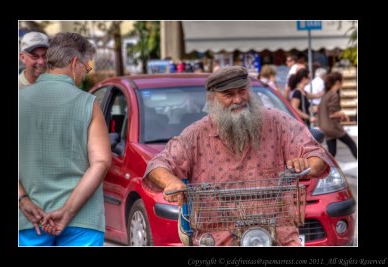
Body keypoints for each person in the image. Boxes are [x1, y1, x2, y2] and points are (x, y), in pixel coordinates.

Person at [142, 66, 333, 246]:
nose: (238, 99)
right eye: (228, 94)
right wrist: (171, 182)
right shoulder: (196, 135)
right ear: (212, 99)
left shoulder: (277, 122)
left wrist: (306, 165)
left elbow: (316, 154)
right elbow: (157, 164)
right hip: (218, 238)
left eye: (242, 91)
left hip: (276, 235)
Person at [19, 32, 112, 246]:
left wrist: (23, 200)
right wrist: (67, 212)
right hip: (83, 221)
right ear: (73, 63)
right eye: (85, 67)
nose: (84, 74)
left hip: (27, 221)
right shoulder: (88, 103)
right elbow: (101, 162)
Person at [318, 72, 357, 159]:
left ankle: (326, 170)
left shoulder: (326, 94)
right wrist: (343, 114)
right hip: (332, 127)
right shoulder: (334, 94)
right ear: (338, 82)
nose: (342, 83)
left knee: (332, 152)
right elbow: (332, 114)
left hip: (324, 127)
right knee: (351, 143)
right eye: (342, 81)